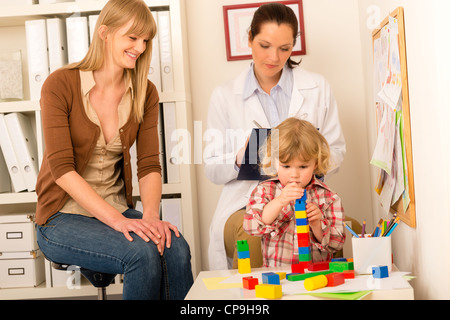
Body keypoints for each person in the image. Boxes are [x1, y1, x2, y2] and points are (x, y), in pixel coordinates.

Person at [34, 0, 193, 300]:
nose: (140, 47)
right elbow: (62, 170)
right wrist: (119, 222)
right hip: (60, 217)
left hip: (118, 208)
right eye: (132, 37)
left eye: (145, 40)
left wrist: (149, 216)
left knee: (174, 248)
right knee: (142, 255)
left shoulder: (145, 92)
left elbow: (148, 165)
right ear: (104, 33)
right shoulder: (60, 84)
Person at [205, 3, 346, 270]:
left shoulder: (318, 88)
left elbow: (336, 151)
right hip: (247, 200)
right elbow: (212, 169)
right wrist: (240, 157)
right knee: (252, 234)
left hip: (306, 195)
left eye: (284, 48)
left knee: (335, 230)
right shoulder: (224, 96)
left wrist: (308, 158)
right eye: (264, 45)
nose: (274, 57)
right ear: (249, 38)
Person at [243, 118, 345, 267]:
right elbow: (251, 226)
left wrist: (317, 224)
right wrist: (279, 201)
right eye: (286, 166)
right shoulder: (265, 190)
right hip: (278, 275)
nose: (294, 174)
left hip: (316, 275)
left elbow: (337, 244)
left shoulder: (329, 197)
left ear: (315, 163)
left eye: (303, 167)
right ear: (275, 162)